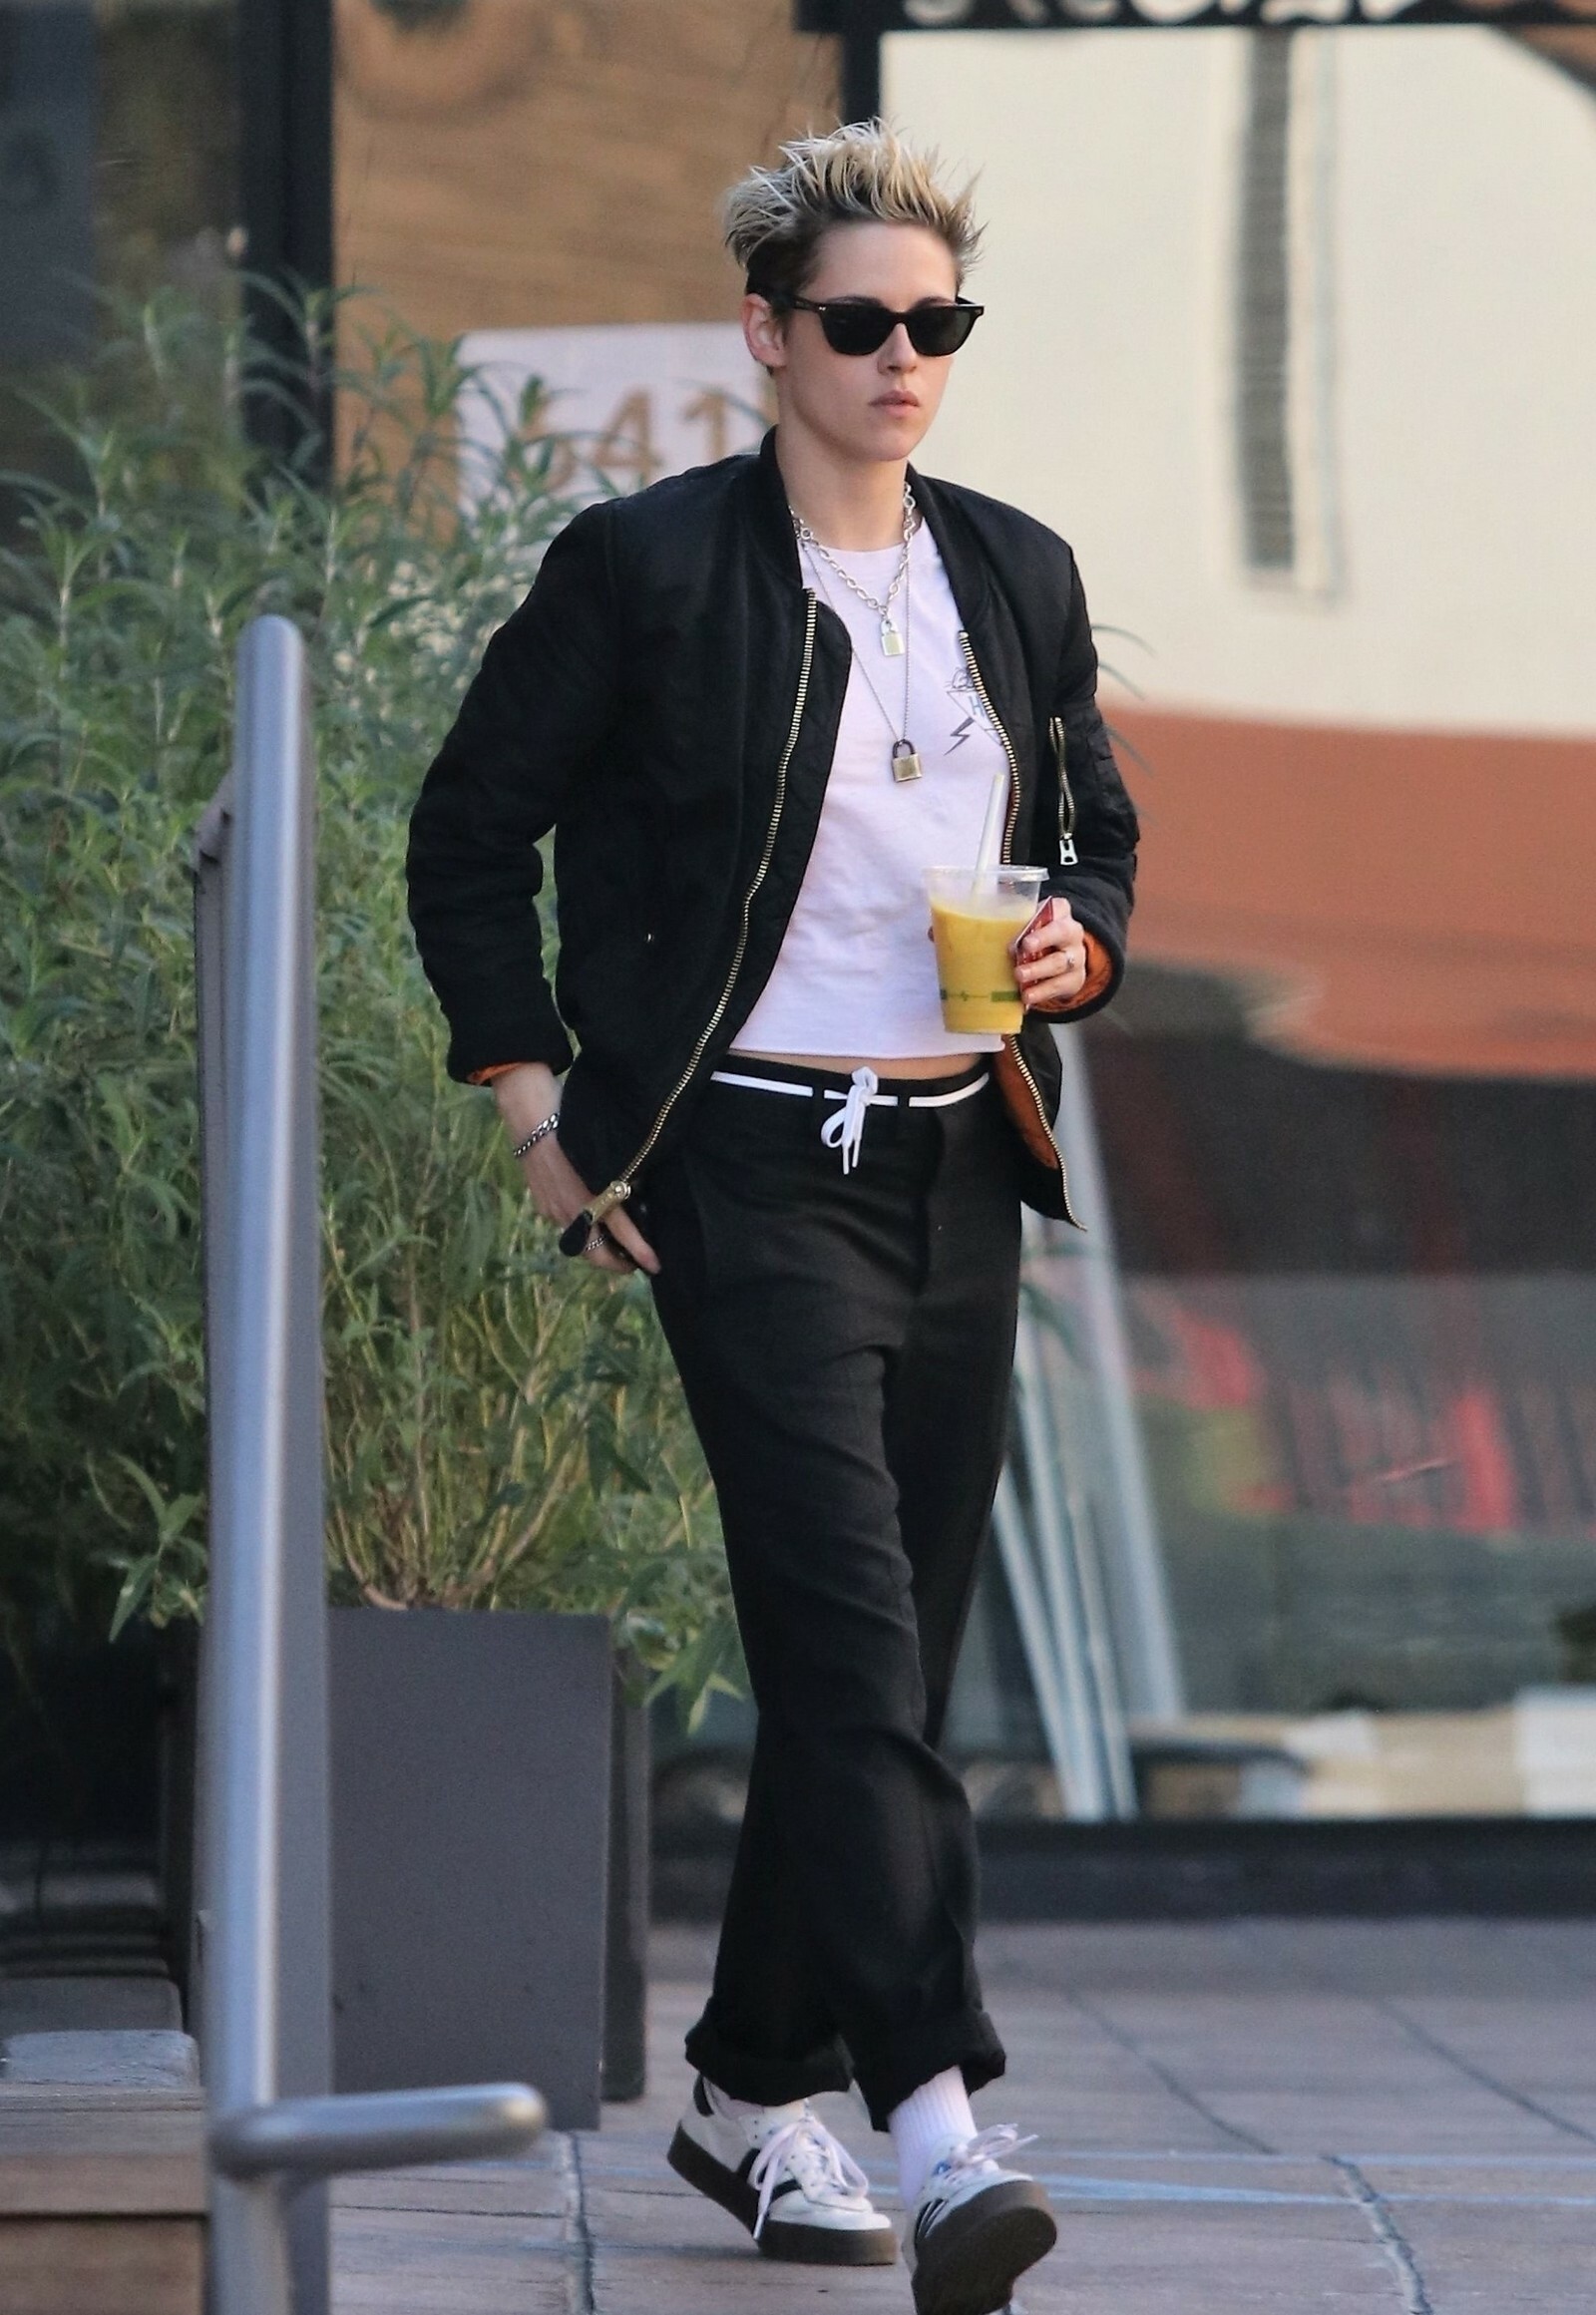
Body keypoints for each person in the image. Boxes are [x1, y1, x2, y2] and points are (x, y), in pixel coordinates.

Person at [406, 120, 1137, 2315]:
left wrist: (1079, 942)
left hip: (955, 1160)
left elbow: (1094, 826)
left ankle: (745, 2084)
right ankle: (937, 2123)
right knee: (842, 1641)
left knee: (887, 1660)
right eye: (859, 321)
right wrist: (537, 1106)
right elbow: (469, 828)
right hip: (740, 1162)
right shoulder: (645, 571)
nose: (903, 355)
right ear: (767, 335)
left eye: (937, 321)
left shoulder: (1012, 570)